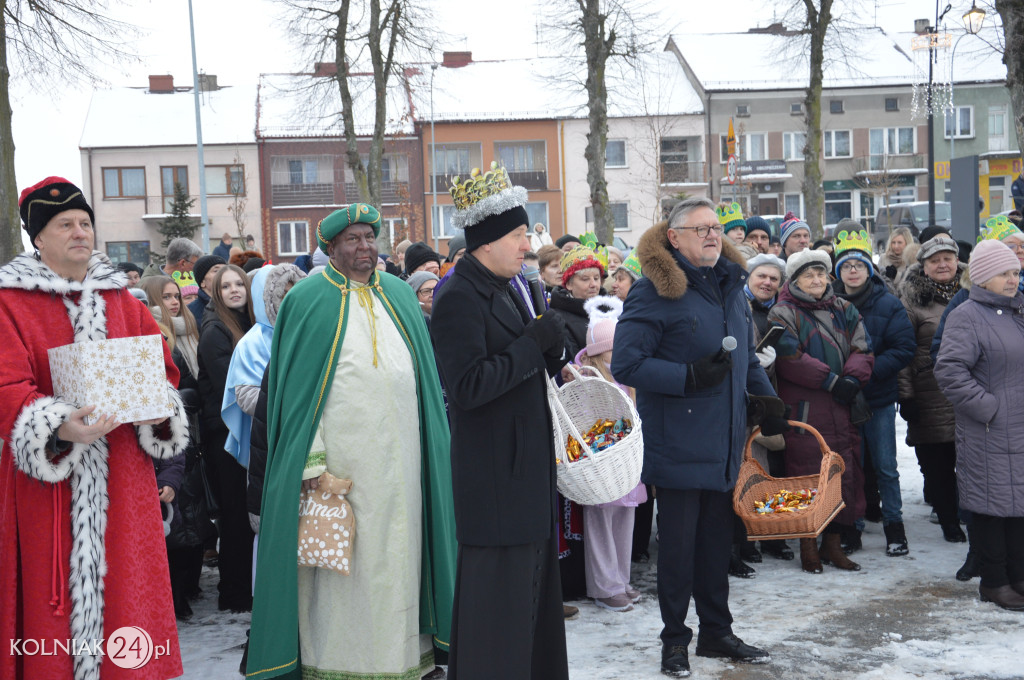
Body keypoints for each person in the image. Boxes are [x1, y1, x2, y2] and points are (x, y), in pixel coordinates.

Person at [247, 204, 456, 680]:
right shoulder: (308, 301)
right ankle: (342, 663)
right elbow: (296, 398)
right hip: (343, 471)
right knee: (349, 570)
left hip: (403, 464)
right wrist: (315, 463)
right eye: (353, 240)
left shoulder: (401, 295)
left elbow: (423, 378)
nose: (364, 247)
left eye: (369, 237)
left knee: (401, 560)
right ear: (332, 249)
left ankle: (406, 659)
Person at [0, 176, 188, 680]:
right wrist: (58, 426)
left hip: (125, 481)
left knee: (129, 592)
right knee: (52, 604)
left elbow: (164, 371)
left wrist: (160, 411)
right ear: (38, 237)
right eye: (65, 224)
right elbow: (6, 385)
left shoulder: (122, 300)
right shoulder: (8, 302)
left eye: (85, 222)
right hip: (50, 487)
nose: (80, 232)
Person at [612, 198, 783, 677]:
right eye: (701, 228)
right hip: (679, 440)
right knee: (679, 550)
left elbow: (745, 355)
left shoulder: (730, 286)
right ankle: (674, 641)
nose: (713, 235)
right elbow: (628, 363)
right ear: (674, 237)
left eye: (716, 228)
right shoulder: (653, 292)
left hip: (724, 438)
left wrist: (767, 401)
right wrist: (688, 376)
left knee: (715, 544)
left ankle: (716, 632)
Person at [431, 167, 570, 680]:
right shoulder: (457, 297)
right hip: (494, 481)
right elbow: (467, 387)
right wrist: (533, 346)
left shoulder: (508, 286)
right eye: (518, 235)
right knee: (497, 613)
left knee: (531, 603)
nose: (527, 245)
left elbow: (519, 367)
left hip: (523, 473)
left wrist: (552, 352)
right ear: (486, 241)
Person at [769, 248, 875, 574]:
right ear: (795, 280)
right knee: (805, 478)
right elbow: (789, 358)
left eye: (820, 274)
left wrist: (852, 379)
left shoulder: (844, 308)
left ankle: (833, 545)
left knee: (841, 475)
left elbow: (863, 347)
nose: (816, 280)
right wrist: (832, 381)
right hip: (805, 410)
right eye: (808, 275)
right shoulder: (782, 312)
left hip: (842, 407)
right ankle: (807, 545)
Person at [934, 238, 1024, 611]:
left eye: (1016, 272)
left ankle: (1018, 577)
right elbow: (950, 371)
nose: (1012, 280)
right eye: (1004, 273)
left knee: (1019, 506)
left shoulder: (1019, 312)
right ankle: (994, 581)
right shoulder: (966, 316)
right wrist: (989, 408)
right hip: (987, 429)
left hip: (1018, 429)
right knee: (991, 507)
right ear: (983, 276)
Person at [831, 225, 916, 557]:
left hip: (877, 396)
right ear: (839, 271)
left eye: (859, 265)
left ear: (870, 268)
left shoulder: (887, 302)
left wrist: (866, 372)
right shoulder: (829, 304)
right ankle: (852, 526)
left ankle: (895, 525)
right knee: (849, 464)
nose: (853, 271)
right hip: (841, 397)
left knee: (884, 465)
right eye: (847, 266)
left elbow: (903, 347)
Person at [574, 296, 647, 612]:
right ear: (596, 351)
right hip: (601, 464)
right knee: (601, 524)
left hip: (627, 464)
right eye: (613, 348)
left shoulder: (628, 376)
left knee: (624, 521)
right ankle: (605, 586)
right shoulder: (587, 378)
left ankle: (621, 579)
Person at [897, 236, 968, 544]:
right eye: (934, 260)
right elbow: (903, 352)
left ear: (957, 261)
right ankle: (949, 521)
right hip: (929, 393)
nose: (942, 264)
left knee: (970, 462)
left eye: (947, 258)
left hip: (967, 393)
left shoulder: (972, 292)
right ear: (923, 267)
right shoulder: (911, 300)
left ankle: (970, 515)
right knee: (937, 465)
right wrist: (906, 395)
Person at [197, 264, 256, 613]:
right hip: (225, 435)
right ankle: (233, 594)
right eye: (226, 286)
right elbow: (227, 389)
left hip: (243, 432)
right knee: (234, 516)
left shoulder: (246, 324)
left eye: (240, 284)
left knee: (245, 514)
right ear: (215, 293)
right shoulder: (216, 330)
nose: (234, 290)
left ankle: (243, 587)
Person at [741, 253, 794, 563]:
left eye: (774, 278)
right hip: (743, 404)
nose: (767, 282)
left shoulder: (777, 312)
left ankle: (772, 536)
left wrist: (768, 367)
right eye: (761, 276)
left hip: (770, 401)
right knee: (745, 473)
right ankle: (745, 541)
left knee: (771, 473)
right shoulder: (738, 307)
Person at [188, 254, 226, 327]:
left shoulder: (235, 305)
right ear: (202, 282)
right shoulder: (190, 312)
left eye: (225, 269)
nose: (223, 273)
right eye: (216, 270)